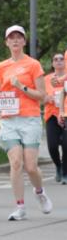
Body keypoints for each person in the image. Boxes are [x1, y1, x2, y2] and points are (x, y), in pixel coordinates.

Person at [0, 24, 51, 220]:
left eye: (19, 37)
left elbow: (42, 96)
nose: (15, 40)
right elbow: (0, 93)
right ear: (7, 42)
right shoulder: (1, 67)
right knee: (16, 163)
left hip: (30, 119)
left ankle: (39, 192)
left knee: (31, 166)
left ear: (24, 42)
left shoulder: (33, 64)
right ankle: (20, 207)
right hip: (9, 120)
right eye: (12, 37)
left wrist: (22, 87)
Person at [43, 51, 66, 184]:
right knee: (52, 146)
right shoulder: (46, 79)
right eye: (55, 59)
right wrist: (47, 98)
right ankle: (58, 165)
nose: (58, 61)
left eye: (61, 59)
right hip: (51, 115)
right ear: (52, 63)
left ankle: (65, 172)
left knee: (66, 145)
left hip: (65, 115)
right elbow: (40, 97)